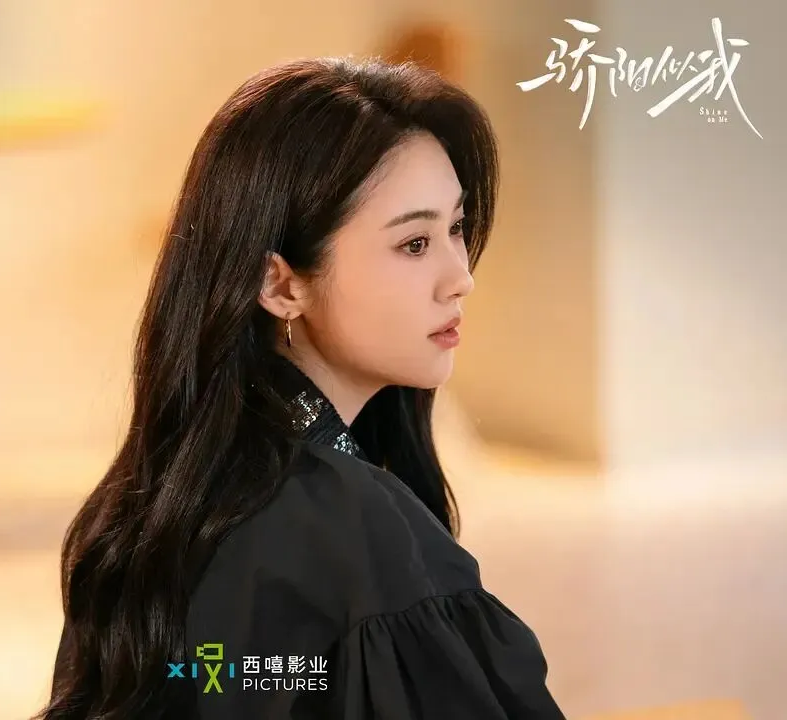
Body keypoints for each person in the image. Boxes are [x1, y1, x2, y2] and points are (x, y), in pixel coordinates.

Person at [38, 57, 567, 719]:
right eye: (414, 244)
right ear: (281, 285)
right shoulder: (360, 534)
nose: (460, 276)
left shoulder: (152, 498)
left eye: (456, 229)